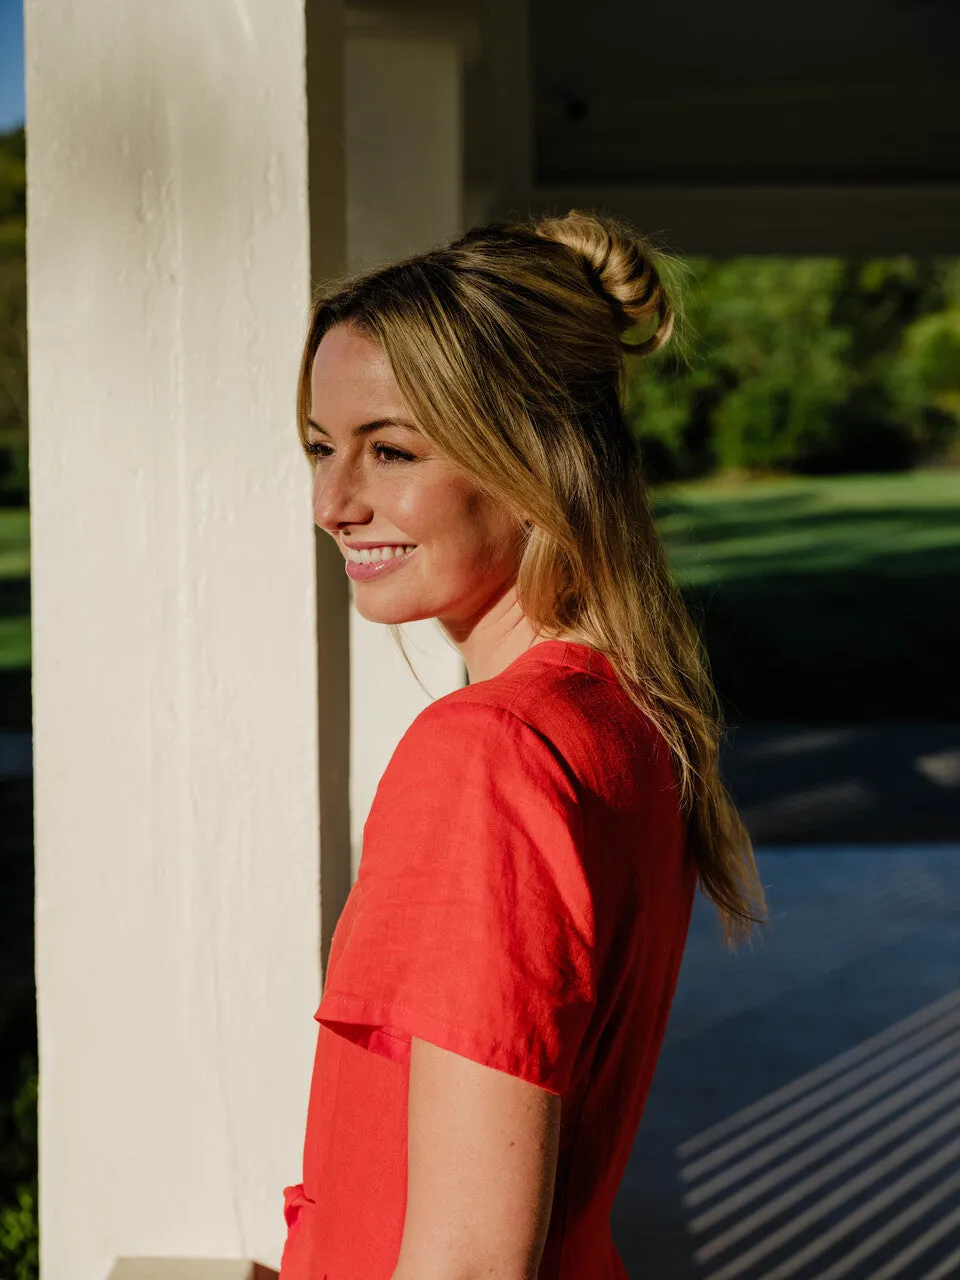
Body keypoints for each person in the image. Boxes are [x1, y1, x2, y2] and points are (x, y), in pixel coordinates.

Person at [279, 209, 767, 1280]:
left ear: (531, 455)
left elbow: (465, 1260)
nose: (330, 501)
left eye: (389, 449)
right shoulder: (622, 714)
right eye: (321, 446)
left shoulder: (489, 752)